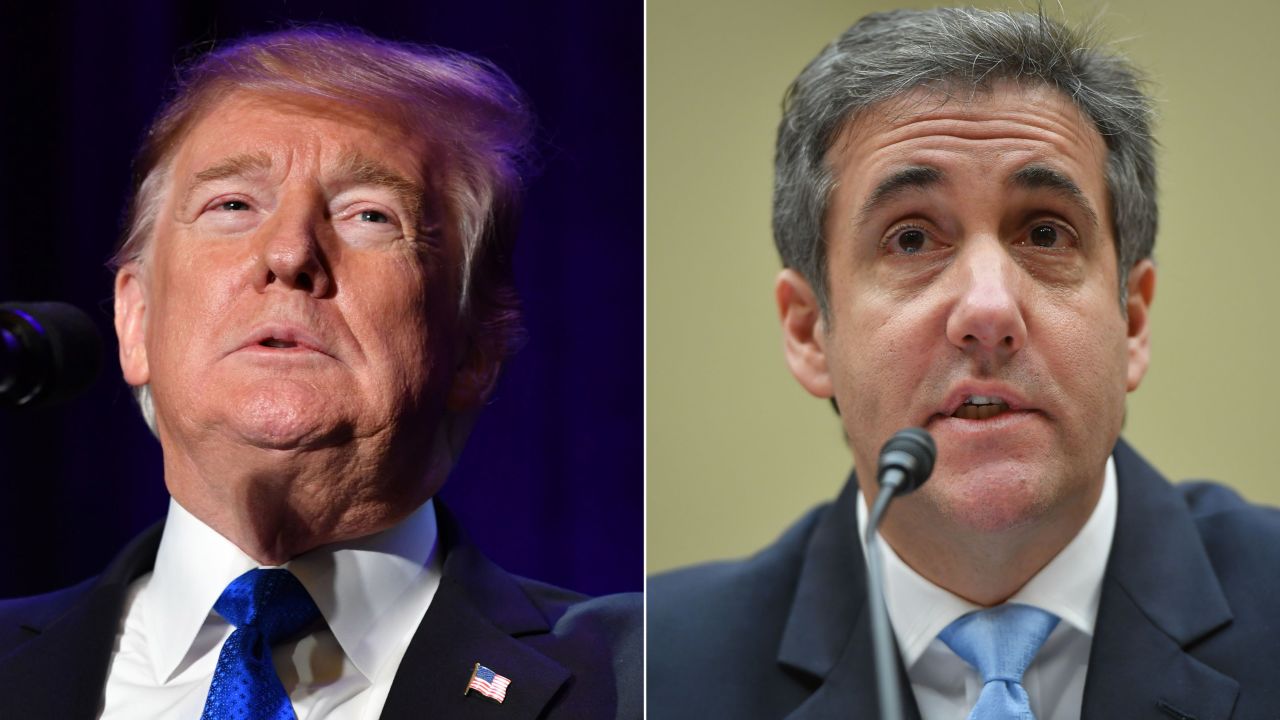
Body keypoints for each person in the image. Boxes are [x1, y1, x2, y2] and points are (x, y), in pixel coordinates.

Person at [649, 7, 1280, 719]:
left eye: (1045, 232)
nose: (988, 309)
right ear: (809, 333)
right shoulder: (658, 671)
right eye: (912, 240)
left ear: (1132, 319)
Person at [0, 27, 640, 719]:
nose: (289, 252)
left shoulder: (635, 678)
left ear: (475, 349)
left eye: (369, 215)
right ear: (135, 321)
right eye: (233, 205)